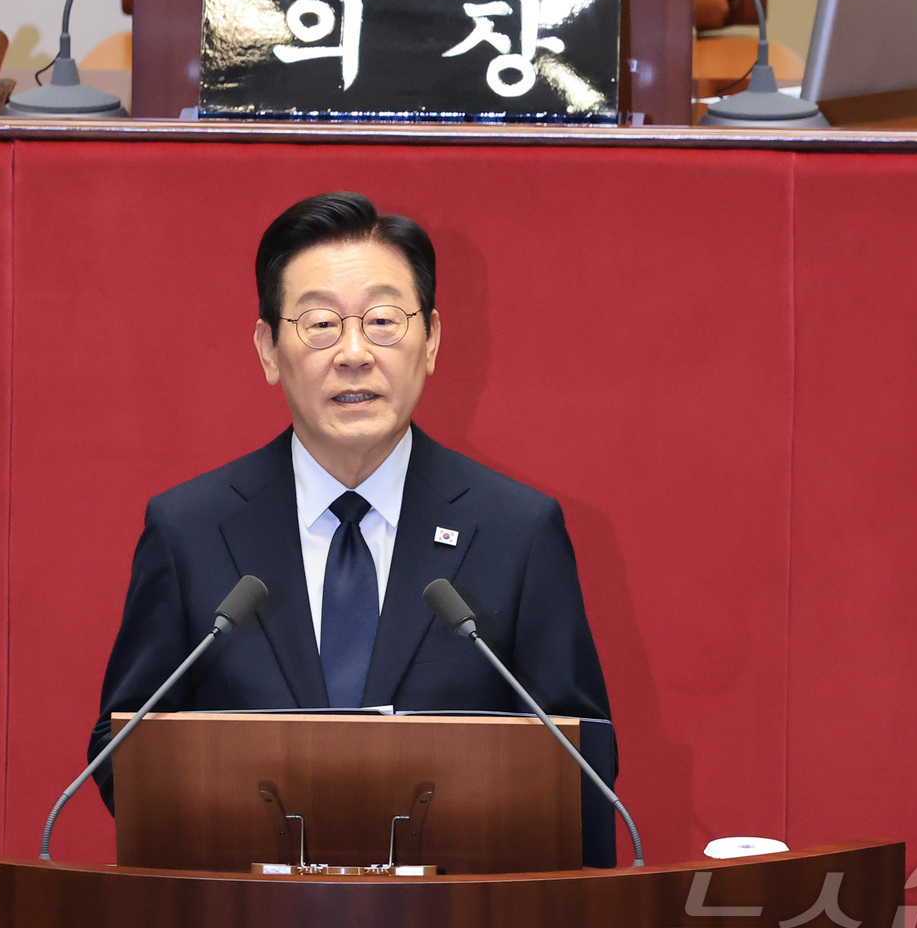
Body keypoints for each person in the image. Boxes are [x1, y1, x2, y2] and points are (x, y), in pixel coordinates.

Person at [89, 191, 611, 810]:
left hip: (456, 876)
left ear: (432, 340)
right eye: (321, 324)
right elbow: (123, 753)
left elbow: (582, 769)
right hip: (249, 875)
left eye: (383, 321)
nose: (355, 354)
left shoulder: (517, 532)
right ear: (268, 349)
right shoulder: (190, 531)